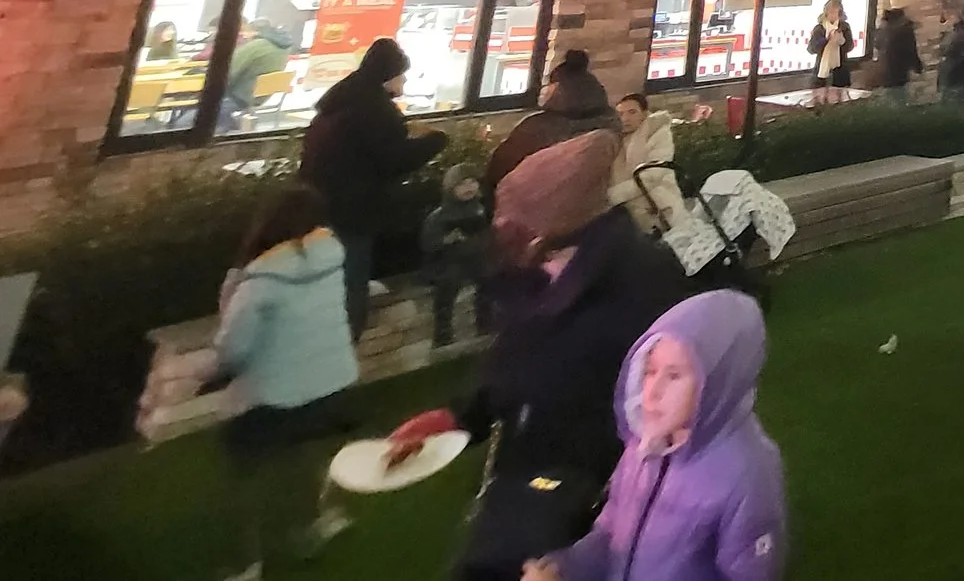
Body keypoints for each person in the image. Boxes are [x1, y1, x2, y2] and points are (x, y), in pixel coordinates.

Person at [387, 132, 684, 581]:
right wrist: (463, 415)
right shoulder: (540, 268)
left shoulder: (646, 281)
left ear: (569, 229)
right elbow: (518, 357)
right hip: (526, 470)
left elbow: (670, 400)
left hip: (597, 483)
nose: (522, 251)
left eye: (532, 238)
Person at [519, 289, 785, 581]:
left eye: (673, 375)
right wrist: (562, 569)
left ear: (719, 379)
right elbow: (611, 532)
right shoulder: (644, 444)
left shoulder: (746, 473)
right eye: (649, 371)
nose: (652, 391)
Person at [213, 183, 360, 581]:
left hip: (276, 395)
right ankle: (315, 521)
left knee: (246, 475)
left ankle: (247, 564)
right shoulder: (331, 260)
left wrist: (229, 296)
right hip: (331, 384)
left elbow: (233, 350)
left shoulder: (257, 283)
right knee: (305, 451)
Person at [298, 36, 449, 338]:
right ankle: (345, 340)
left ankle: (320, 335)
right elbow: (395, 159)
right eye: (401, 75)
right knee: (352, 278)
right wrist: (436, 139)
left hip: (317, 202)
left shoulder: (345, 99)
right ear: (387, 76)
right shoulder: (374, 109)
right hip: (352, 209)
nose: (404, 81)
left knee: (327, 275)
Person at [485, 51, 623, 199]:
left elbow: (499, 173)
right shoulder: (611, 122)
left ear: (560, 88)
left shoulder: (537, 128)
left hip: (532, 201)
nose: (545, 91)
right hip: (590, 201)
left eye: (549, 85)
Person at [424, 164, 494, 348]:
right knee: (447, 287)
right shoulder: (439, 216)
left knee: (488, 281)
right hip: (450, 261)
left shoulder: (480, 209)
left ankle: (485, 322)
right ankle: (443, 333)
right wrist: (446, 239)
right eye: (462, 184)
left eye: (472, 182)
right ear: (451, 187)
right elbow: (428, 243)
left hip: (476, 256)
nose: (469, 187)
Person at [609, 93, 687, 236]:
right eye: (620, 114)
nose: (625, 119)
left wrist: (611, 196)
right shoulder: (613, 140)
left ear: (644, 114)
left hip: (660, 208)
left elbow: (652, 175)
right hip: (625, 212)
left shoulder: (658, 134)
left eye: (632, 112)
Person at [870, 7, 922, 98]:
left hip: (883, 72)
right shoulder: (905, 30)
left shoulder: (882, 29)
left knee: (888, 98)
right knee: (900, 98)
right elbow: (911, 51)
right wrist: (918, 67)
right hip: (899, 73)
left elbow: (877, 46)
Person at [806, 0, 852, 99]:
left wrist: (841, 41)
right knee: (820, 99)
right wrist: (826, 39)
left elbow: (850, 46)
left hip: (840, 71)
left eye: (835, 12)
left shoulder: (844, 27)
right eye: (830, 12)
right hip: (821, 71)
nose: (833, 15)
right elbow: (811, 49)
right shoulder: (819, 28)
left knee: (839, 99)